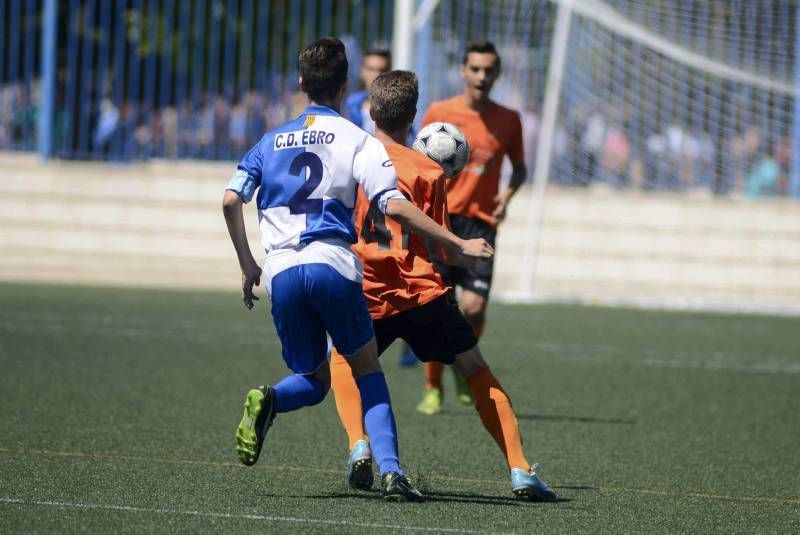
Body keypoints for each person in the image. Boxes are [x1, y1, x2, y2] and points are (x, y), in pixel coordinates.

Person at [223, 38, 492, 502]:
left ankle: (269, 397)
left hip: (283, 270)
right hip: (332, 264)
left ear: (302, 83)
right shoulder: (357, 139)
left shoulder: (269, 141)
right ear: (346, 85)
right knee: (368, 369)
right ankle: (390, 471)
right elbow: (394, 205)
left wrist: (249, 264)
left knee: (313, 380)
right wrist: (455, 242)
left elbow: (230, 199)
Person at [329, 70, 557, 501]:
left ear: (371, 111)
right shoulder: (429, 171)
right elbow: (444, 251)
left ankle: (358, 442)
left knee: (343, 360)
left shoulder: (355, 160)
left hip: (369, 291)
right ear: (415, 116)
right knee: (474, 368)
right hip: (420, 291)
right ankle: (520, 469)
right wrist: (456, 252)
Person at [414, 41, 528, 415]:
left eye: (488, 70)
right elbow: (418, 163)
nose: (481, 76)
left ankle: (464, 366)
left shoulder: (509, 120)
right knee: (437, 306)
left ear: (496, 73)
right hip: (441, 223)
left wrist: (506, 197)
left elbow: (520, 168)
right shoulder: (439, 112)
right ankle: (433, 387)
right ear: (463, 70)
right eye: (475, 69)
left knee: (474, 309)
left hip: (481, 224)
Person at [344, 49, 391, 135]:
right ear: (362, 71)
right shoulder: (349, 105)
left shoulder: (398, 108)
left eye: (382, 70)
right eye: (371, 69)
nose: (376, 75)